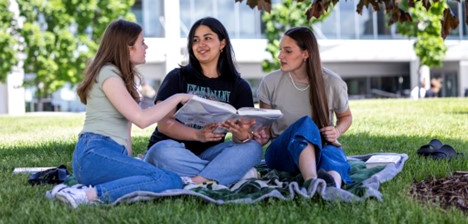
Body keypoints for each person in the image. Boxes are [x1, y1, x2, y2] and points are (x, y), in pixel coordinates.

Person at [48, 19, 192, 208]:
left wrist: (128, 162)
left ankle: (88, 191)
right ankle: (84, 194)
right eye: (142, 42)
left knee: (168, 179)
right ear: (127, 47)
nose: (146, 46)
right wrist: (177, 98)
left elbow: (126, 133)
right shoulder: (108, 73)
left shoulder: (121, 77)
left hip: (104, 155)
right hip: (95, 153)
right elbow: (142, 119)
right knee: (166, 180)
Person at [144, 17, 262, 186]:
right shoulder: (177, 77)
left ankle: (196, 180)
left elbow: (241, 139)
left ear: (222, 43)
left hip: (210, 153)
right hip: (174, 152)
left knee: (253, 148)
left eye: (207, 38)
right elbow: (164, 124)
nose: (201, 44)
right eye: (195, 40)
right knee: (159, 152)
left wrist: (241, 135)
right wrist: (198, 135)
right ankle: (228, 173)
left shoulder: (239, 86)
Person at [255, 27, 353, 188]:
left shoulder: (333, 83)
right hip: (282, 152)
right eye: (281, 50)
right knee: (306, 125)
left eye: (288, 51)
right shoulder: (270, 82)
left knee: (332, 157)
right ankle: (312, 181)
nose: (280, 56)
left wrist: (337, 131)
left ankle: (331, 185)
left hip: (322, 146)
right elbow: (266, 126)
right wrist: (262, 133)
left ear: (306, 54)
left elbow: (346, 117)